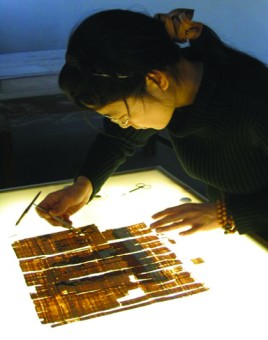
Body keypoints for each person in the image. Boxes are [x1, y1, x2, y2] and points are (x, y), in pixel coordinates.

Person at [37, 8, 268, 236]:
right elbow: (117, 140)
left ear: (155, 80)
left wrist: (225, 213)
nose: (124, 124)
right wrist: (83, 186)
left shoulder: (253, 101)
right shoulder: (176, 83)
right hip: (244, 230)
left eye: (124, 116)